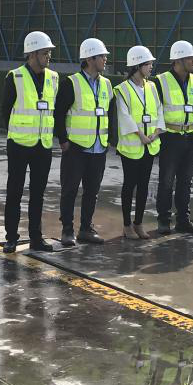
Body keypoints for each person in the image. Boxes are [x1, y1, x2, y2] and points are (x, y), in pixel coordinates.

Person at [0, 30, 59, 254]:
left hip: (43, 144)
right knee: (14, 191)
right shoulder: (15, 77)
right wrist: (20, 130)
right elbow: (5, 110)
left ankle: (36, 237)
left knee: (38, 193)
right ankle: (11, 238)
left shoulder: (53, 77)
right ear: (32, 54)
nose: (48, 56)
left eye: (49, 52)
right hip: (19, 144)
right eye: (45, 53)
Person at [56, 38, 116, 246]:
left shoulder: (107, 84)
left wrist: (109, 139)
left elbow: (110, 113)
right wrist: (63, 140)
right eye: (102, 56)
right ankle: (67, 230)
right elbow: (59, 113)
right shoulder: (71, 83)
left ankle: (86, 229)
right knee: (70, 190)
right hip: (76, 148)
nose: (105, 59)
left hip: (98, 147)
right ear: (90, 59)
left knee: (92, 191)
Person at [154, 40, 193, 235]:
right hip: (170, 137)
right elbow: (156, 111)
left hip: (191, 137)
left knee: (186, 181)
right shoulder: (161, 81)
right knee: (166, 181)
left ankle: (183, 220)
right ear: (178, 60)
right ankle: (164, 220)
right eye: (190, 58)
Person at [115, 45, 162, 239]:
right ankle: (127, 225)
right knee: (129, 185)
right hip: (132, 146)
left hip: (149, 144)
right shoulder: (122, 89)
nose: (151, 67)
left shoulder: (151, 87)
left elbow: (159, 109)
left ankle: (139, 223)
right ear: (137, 65)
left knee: (144, 185)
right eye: (148, 64)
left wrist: (157, 131)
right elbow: (124, 115)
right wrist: (140, 135)